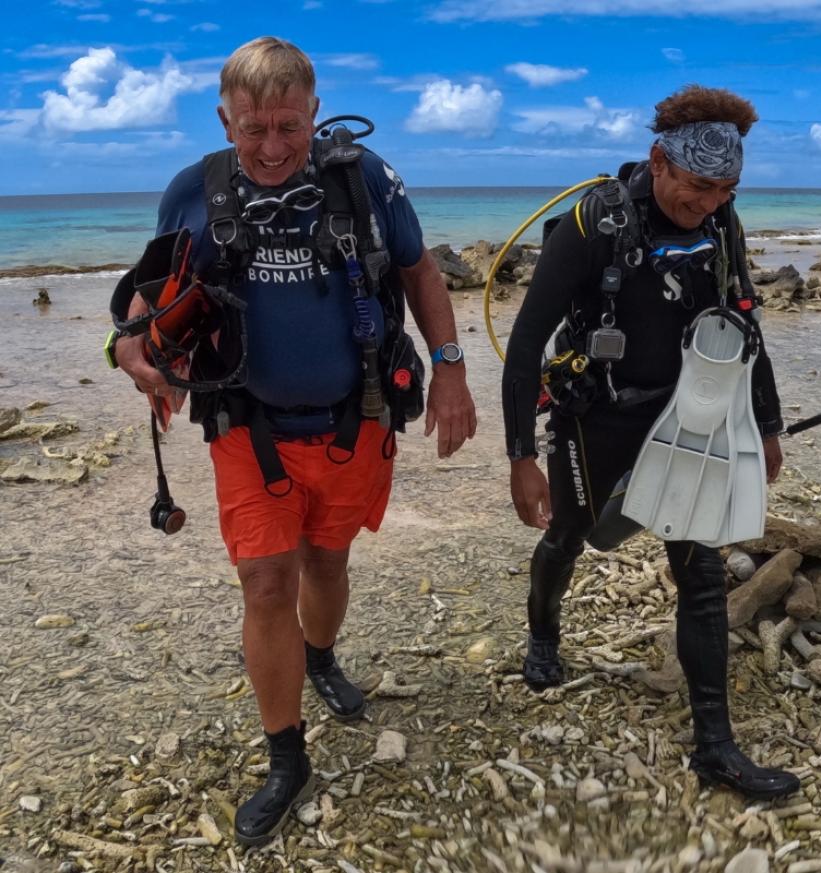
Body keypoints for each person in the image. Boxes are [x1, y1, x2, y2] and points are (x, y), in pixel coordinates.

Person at [110, 37, 477, 847]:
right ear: (224, 120)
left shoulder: (365, 180)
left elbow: (418, 272)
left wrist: (451, 367)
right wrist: (133, 354)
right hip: (247, 426)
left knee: (328, 561)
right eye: (253, 129)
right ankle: (286, 756)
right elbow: (145, 301)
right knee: (266, 584)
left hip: (358, 417)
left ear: (314, 113)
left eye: (288, 127)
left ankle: (320, 656)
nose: (272, 148)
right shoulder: (191, 193)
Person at [500, 85, 801, 800]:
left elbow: (746, 321)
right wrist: (519, 457)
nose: (711, 202)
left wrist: (766, 424)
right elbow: (521, 350)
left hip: (689, 415)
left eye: (726, 189)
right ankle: (544, 634)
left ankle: (716, 748)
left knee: (698, 574)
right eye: (698, 187)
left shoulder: (722, 221)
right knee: (570, 535)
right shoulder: (589, 224)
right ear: (657, 161)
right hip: (595, 417)